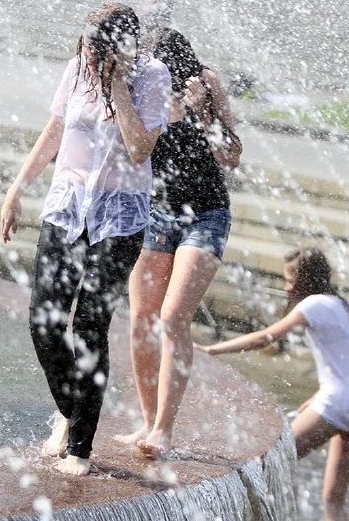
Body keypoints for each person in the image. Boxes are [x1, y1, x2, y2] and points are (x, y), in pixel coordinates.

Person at [0, 3, 170, 476]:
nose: (89, 55)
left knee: (90, 325)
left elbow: (139, 149)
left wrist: (117, 87)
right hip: (67, 209)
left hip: (119, 218)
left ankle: (80, 449)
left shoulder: (151, 77)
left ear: (121, 49)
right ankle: (71, 411)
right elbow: (55, 130)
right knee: (44, 320)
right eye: (87, 46)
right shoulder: (77, 68)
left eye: (99, 49)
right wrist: (17, 189)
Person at [114, 28, 241, 456]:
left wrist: (204, 113)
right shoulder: (145, 86)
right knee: (141, 319)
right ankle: (147, 423)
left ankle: (165, 431)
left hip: (205, 216)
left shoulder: (206, 84)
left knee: (171, 319)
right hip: (155, 212)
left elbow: (232, 155)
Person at [194, 248, 349, 521]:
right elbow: (348, 361)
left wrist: (212, 351)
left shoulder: (312, 304)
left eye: (290, 279)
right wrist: (318, 395)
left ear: (305, 279)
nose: (286, 285)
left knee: (265, 465)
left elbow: (266, 338)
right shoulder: (346, 306)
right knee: (334, 499)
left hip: (337, 401)